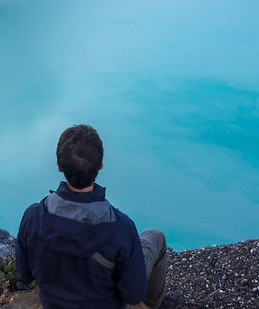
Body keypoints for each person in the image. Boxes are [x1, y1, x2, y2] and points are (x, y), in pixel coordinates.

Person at [15, 124, 179, 309]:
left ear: (60, 166)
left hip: (54, 304)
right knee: (155, 237)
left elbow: (25, 272)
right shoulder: (121, 228)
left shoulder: (33, 217)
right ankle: (151, 306)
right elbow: (133, 294)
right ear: (100, 166)